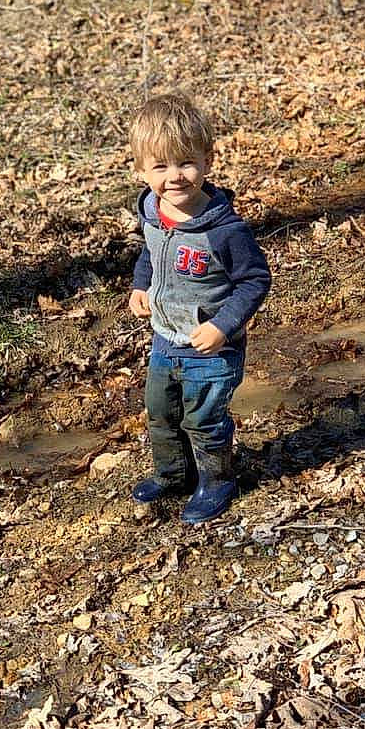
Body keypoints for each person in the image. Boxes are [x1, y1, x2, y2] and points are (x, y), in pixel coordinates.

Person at [128, 92, 271, 524]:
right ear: (140, 170)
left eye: (186, 163)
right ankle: (174, 475)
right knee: (161, 413)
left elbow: (255, 280)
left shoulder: (225, 230)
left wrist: (223, 326)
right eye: (160, 166)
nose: (175, 176)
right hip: (164, 337)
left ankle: (217, 480)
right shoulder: (153, 212)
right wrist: (140, 285)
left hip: (211, 347)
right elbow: (151, 252)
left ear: (208, 161)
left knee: (204, 418)